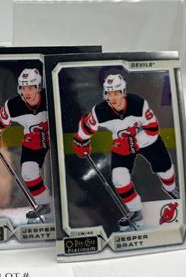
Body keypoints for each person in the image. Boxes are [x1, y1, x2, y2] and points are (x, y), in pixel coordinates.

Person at [72, 73, 179, 231]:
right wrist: (80, 141)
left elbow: (152, 129)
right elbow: (87, 125)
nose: (113, 97)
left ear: (123, 92)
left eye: (116, 93)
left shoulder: (138, 104)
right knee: (119, 179)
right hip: (122, 145)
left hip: (146, 140)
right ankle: (136, 211)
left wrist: (134, 142)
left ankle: (170, 188)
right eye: (109, 93)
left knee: (165, 169)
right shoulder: (100, 110)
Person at [0, 68, 51, 220]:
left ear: (38, 87)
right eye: (23, 88)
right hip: (32, 144)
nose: (27, 92)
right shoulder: (14, 105)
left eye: (31, 88)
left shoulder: (50, 99)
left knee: (55, 173)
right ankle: (43, 203)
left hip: (53, 146)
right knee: (28, 173)